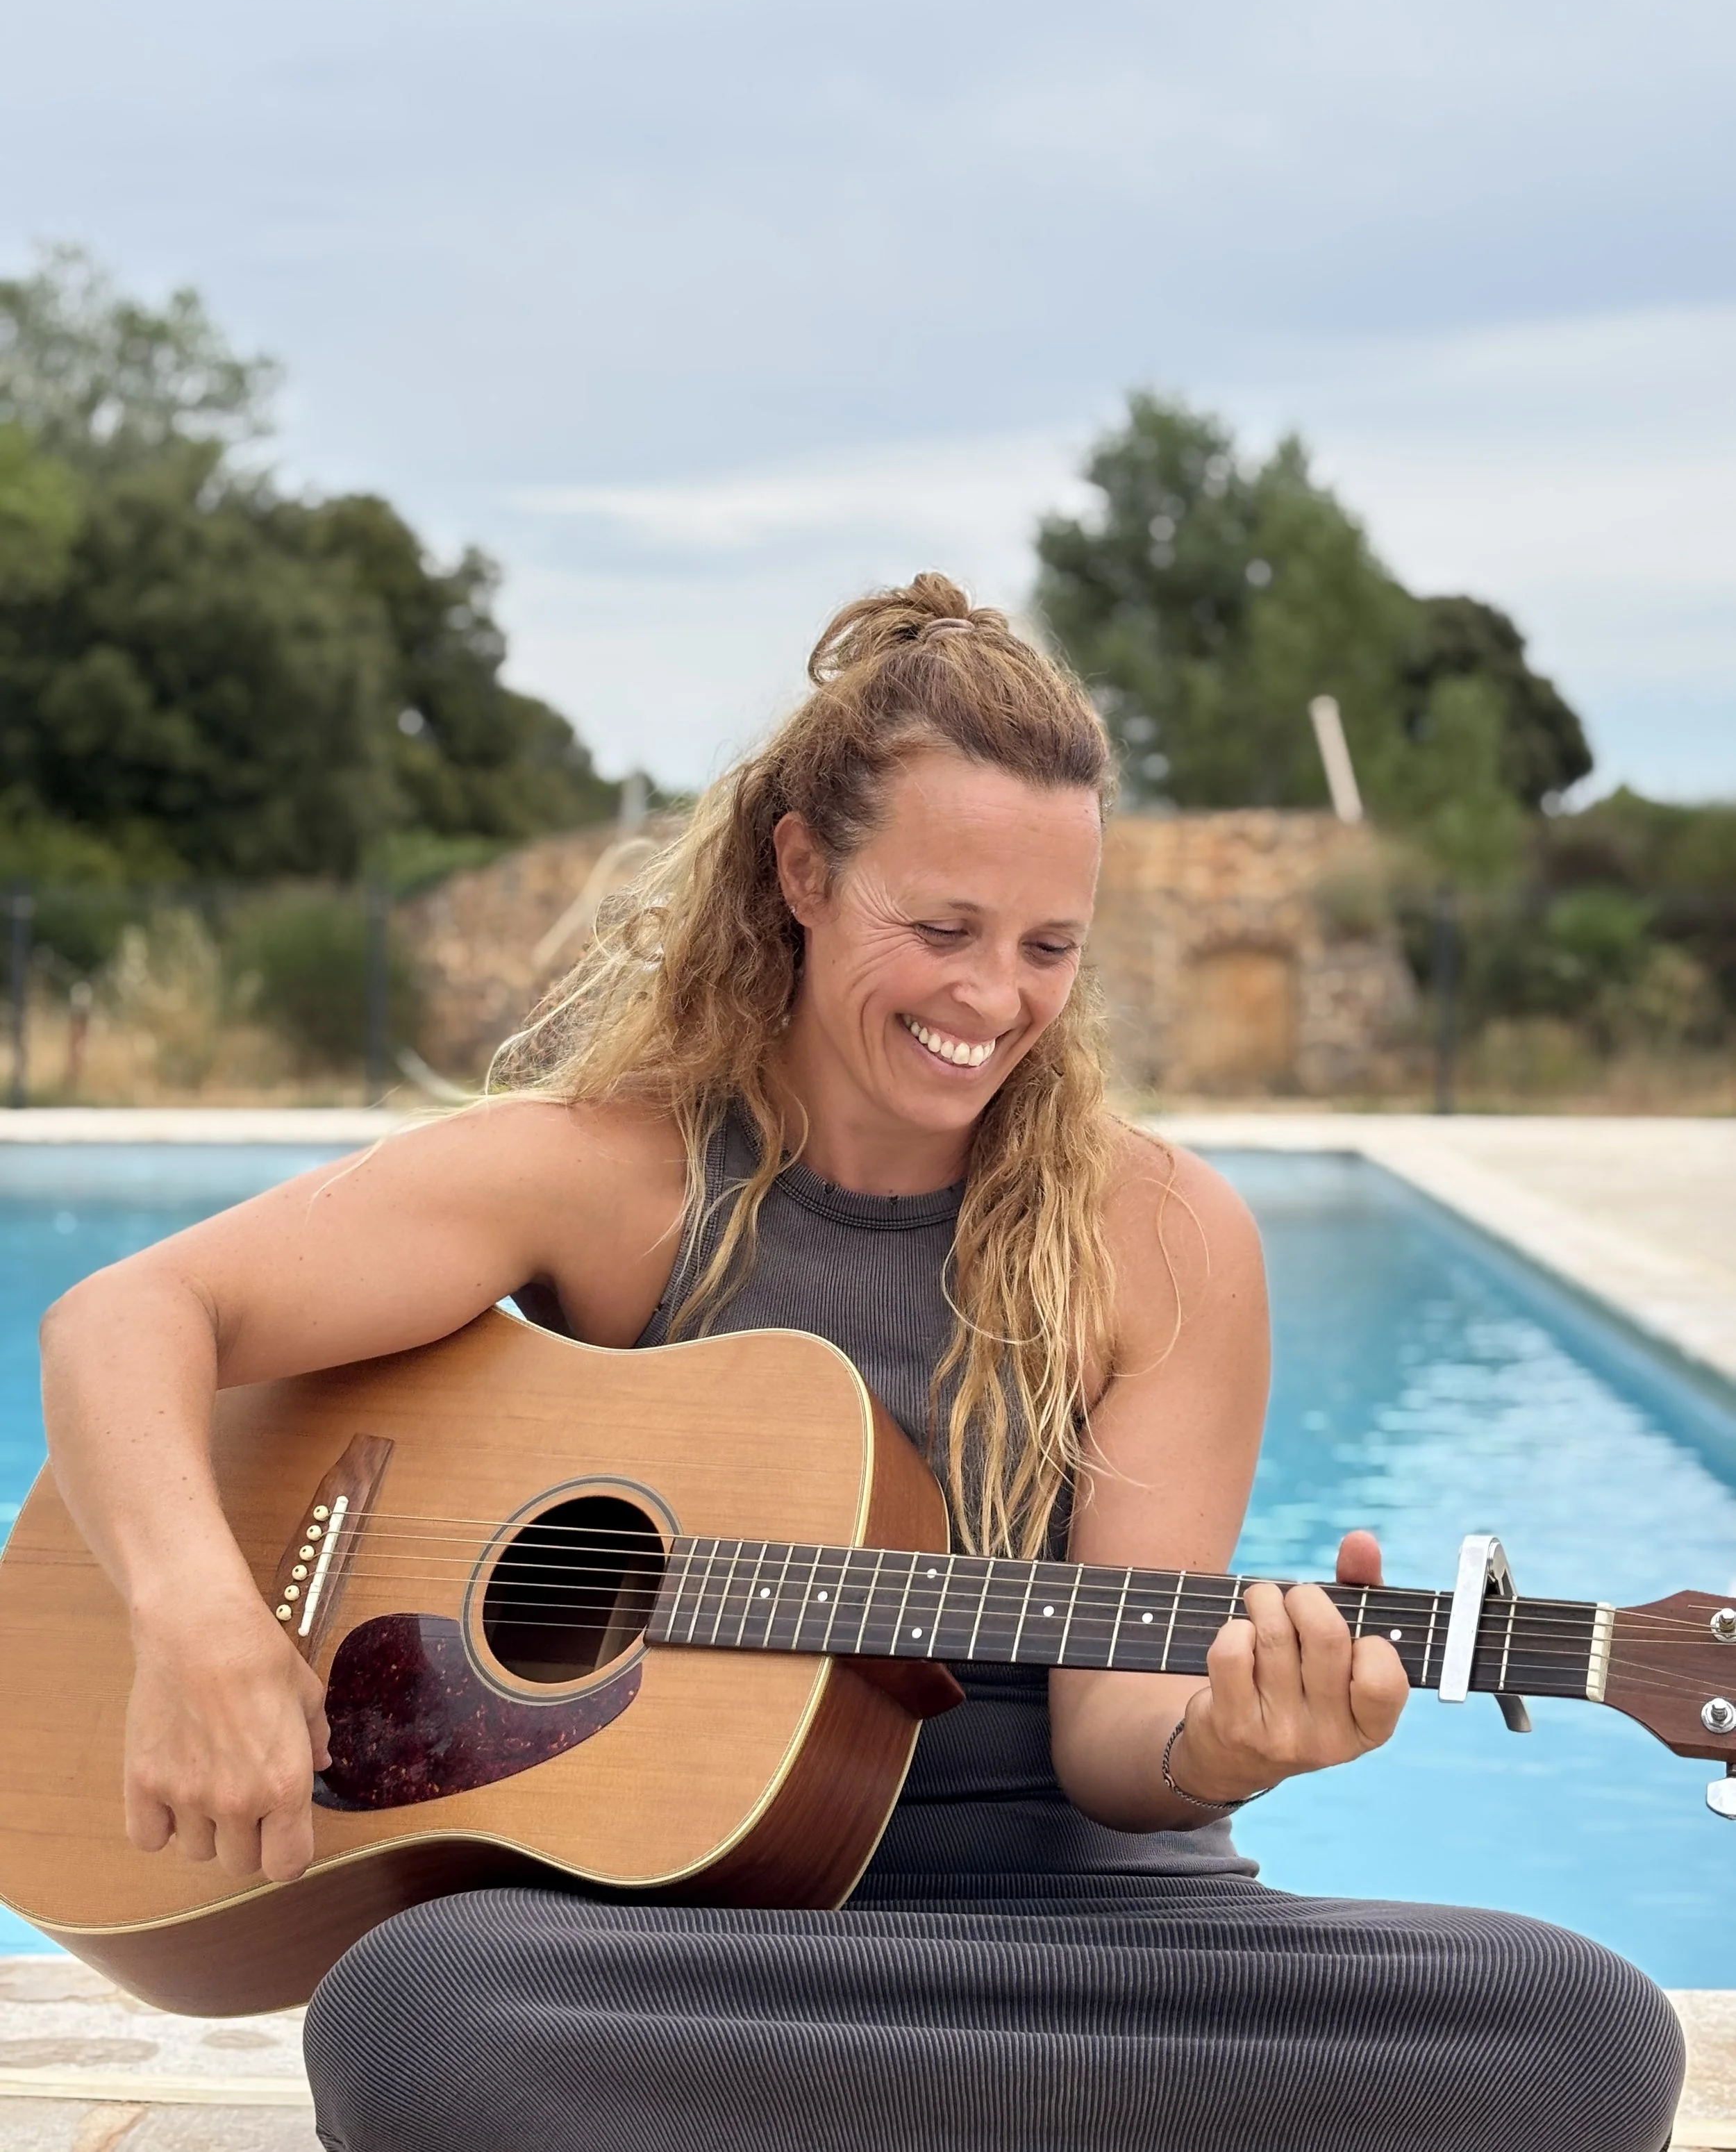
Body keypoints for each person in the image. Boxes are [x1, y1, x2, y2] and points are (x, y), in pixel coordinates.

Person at [41, 577, 1683, 2152]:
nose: (992, 997)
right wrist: (200, 1625)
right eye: (942, 924)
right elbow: (123, 1320)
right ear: (803, 874)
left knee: (1577, 2030)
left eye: (1049, 946)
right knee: (418, 2013)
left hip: (1086, 1945)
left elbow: (1121, 1744)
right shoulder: (613, 1174)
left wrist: (1227, 1746)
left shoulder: (1159, 1231)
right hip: (695, 1952)